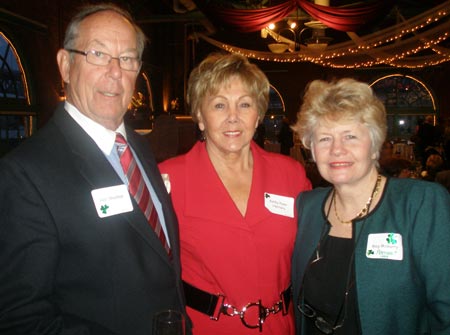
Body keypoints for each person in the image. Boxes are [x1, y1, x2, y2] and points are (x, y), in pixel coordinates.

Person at [0, 4, 190, 335]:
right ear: (65, 65)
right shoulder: (25, 175)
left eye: (127, 59)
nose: (115, 72)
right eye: (98, 54)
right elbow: (21, 319)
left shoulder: (139, 149)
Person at [159, 53, 312, 335]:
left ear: (258, 115)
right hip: (205, 328)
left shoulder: (290, 175)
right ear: (200, 118)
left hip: (280, 326)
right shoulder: (169, 179)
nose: (233, 117)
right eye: (219, 105)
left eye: (244, 104)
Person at [291, 78, 450, 334]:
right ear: (312, 149)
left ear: (375, 146)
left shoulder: (420, 204)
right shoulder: (306, 207)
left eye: (350, 136)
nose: (337, 149)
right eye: (324, 139)